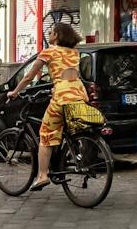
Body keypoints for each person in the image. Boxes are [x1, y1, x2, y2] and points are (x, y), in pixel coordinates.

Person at [11, 21, 88, 192]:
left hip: (61, 98)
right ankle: (61, 163)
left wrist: (15, 91)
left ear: (57, 35)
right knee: (64, 131)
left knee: (45, 134)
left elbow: (29, 77)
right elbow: (69, 74)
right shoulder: (75, 53)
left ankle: (42, 175)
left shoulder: (48, 52)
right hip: (79, 95)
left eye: (51, 32)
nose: (48, 34)